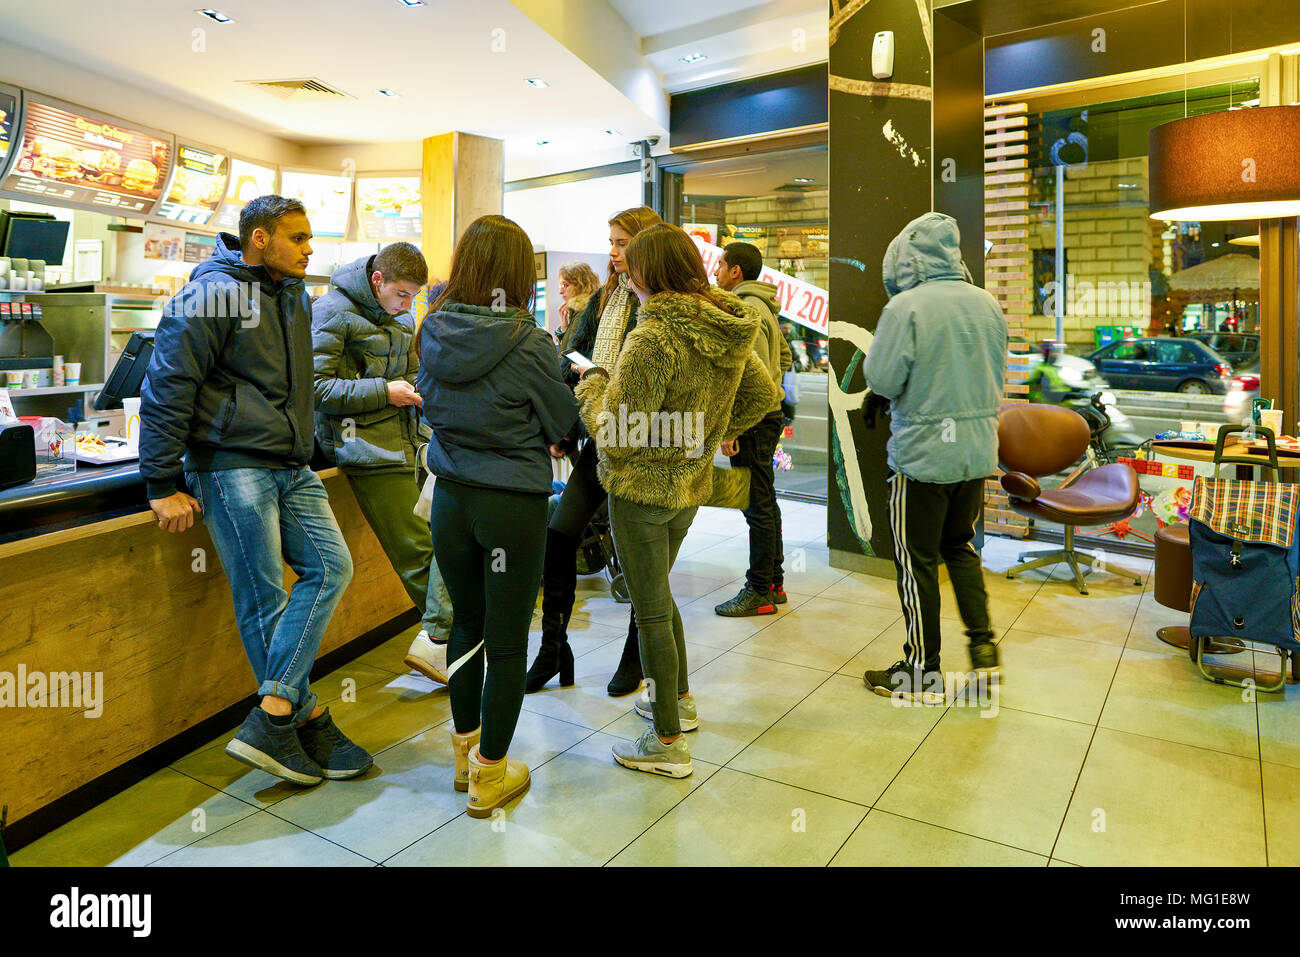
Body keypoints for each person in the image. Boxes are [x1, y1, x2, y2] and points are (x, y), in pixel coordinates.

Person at [140, 195, 370, 785]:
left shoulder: (290, 293)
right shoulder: (211, 292)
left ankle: (274, 714)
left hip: (291, 464)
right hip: (230, 463)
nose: (309, 248)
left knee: (332, 568)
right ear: (260, 239)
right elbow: (168, 382)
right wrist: (161, 481)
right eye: (298, 237)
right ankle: (306, 716)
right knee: (264, 597)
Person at [576, 223, 778, 778]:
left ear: (648, 273)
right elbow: (763, 395)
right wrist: (704, 436)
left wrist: (591, 381)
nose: (622, 272)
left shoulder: (653, 335)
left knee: (650, 609)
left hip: (639, 488)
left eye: (629, 265)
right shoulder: (724, 321)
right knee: (659, 599)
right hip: (688, 485)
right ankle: (680, 702)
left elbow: (614, 430)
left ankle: (665, 740)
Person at [417, 214, 579, 818]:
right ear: (517, 276)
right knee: (508, 642)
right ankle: (491, 774)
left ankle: (464, 757)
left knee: (465, 627)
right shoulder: (531, 342)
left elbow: (427, 404)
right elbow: (564, 424)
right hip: (511, 503)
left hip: (451, 497)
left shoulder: (431, 328)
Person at [862, 212, 1006, 703]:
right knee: (959, 548)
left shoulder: (908, 307)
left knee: (915, 560)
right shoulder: (987, 304)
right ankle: (983, 645)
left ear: (905, 258)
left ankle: (922, 670)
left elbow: (883, 377)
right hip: (976, 453)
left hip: (921, 458)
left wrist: (878, 393)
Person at [525, 205, 662, 696]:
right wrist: (568, 420)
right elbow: (568, 361)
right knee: (560, 534)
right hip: (601, 444)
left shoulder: (665, 304)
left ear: (647, 244)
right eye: (611, 242)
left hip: (649, 450)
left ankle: (636, 651)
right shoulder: (606, 299)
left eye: (622, 243)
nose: (612, 252)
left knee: (638, 558)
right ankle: (553, 649)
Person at [311, 242, 454, 684]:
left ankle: (446, 644)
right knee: (419, 552)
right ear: (378, 281)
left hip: (412, 442)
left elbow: (410, 373)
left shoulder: (401, 314)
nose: (408, 305)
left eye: (413, 296)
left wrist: (418, 392)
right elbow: (315, 391)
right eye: (402, 295)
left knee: (444, 543)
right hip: (365, 450)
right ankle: (445, 642)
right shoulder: (330, 312)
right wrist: (383, 392)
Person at [710, 241, 792, 616]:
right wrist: (775, 379)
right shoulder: (765, 306)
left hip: (756, 419)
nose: (716, 273)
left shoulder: (745, 308)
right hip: (767, 415)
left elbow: (748, 372)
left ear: (736, 272)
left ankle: (759, 590)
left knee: (756, 504)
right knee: (763, 500)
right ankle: (773, 582)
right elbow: (785, 356)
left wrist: (731, 427)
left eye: (721, 266)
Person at [555, 260, 599, 347]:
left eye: (565, 285)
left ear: (581, 285)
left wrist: (564, 331)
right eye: (560, 285)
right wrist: (564, 329)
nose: (560, 291)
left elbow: (569, 355)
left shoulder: (583, 314)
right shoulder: (581, 311)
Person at [1024, 340, 1074, 405]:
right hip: (1048, 407)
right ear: (1048, 354)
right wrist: (1067, 396)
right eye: (1054, 352)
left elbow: (1061, 386)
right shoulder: (1042, 371)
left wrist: (1075, 391)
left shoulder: (1052, 369)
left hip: (1058, 406)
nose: (1056, 354)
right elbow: (1048, 393)